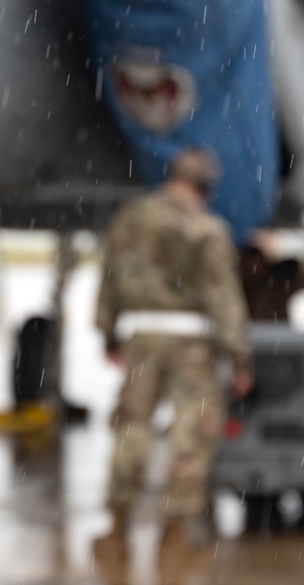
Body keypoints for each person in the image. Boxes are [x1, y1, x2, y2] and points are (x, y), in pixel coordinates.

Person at [92, 147, 253, 566]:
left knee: (132, 429)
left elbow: (108, 278)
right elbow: (223, 298)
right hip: (190, 345)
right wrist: (239, 358)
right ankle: (175, 535)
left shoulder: (129, 218)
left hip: (141, 338)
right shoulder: (207, 229)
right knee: (190, 438)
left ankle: (116, 525)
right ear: (206, 187)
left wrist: (108, 335)